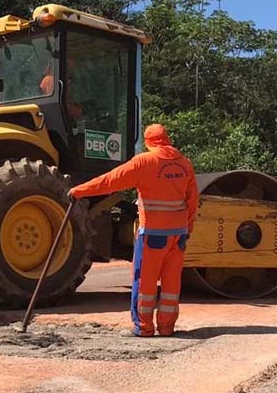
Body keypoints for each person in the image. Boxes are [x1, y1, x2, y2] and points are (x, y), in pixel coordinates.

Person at [70, 124, 198, 337]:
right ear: (166, 139)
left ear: (149, 142)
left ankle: (144, 328)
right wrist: (188, 229)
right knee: (171, 282)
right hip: (178, 235)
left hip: (153, 235)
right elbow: (193, 201)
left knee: (145, 281)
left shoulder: (145, 162)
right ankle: (167, 327)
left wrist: (79, 191)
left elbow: (110, 181)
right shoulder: (185, 164)